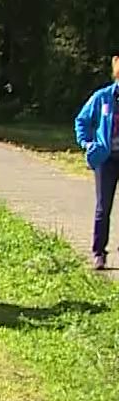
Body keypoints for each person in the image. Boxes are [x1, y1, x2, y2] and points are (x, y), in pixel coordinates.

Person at [72, 56, 119, 272]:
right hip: (106, 159)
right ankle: (99, 252)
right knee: (103, 207)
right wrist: (87, 143)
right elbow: (81, 120)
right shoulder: (103, 98)